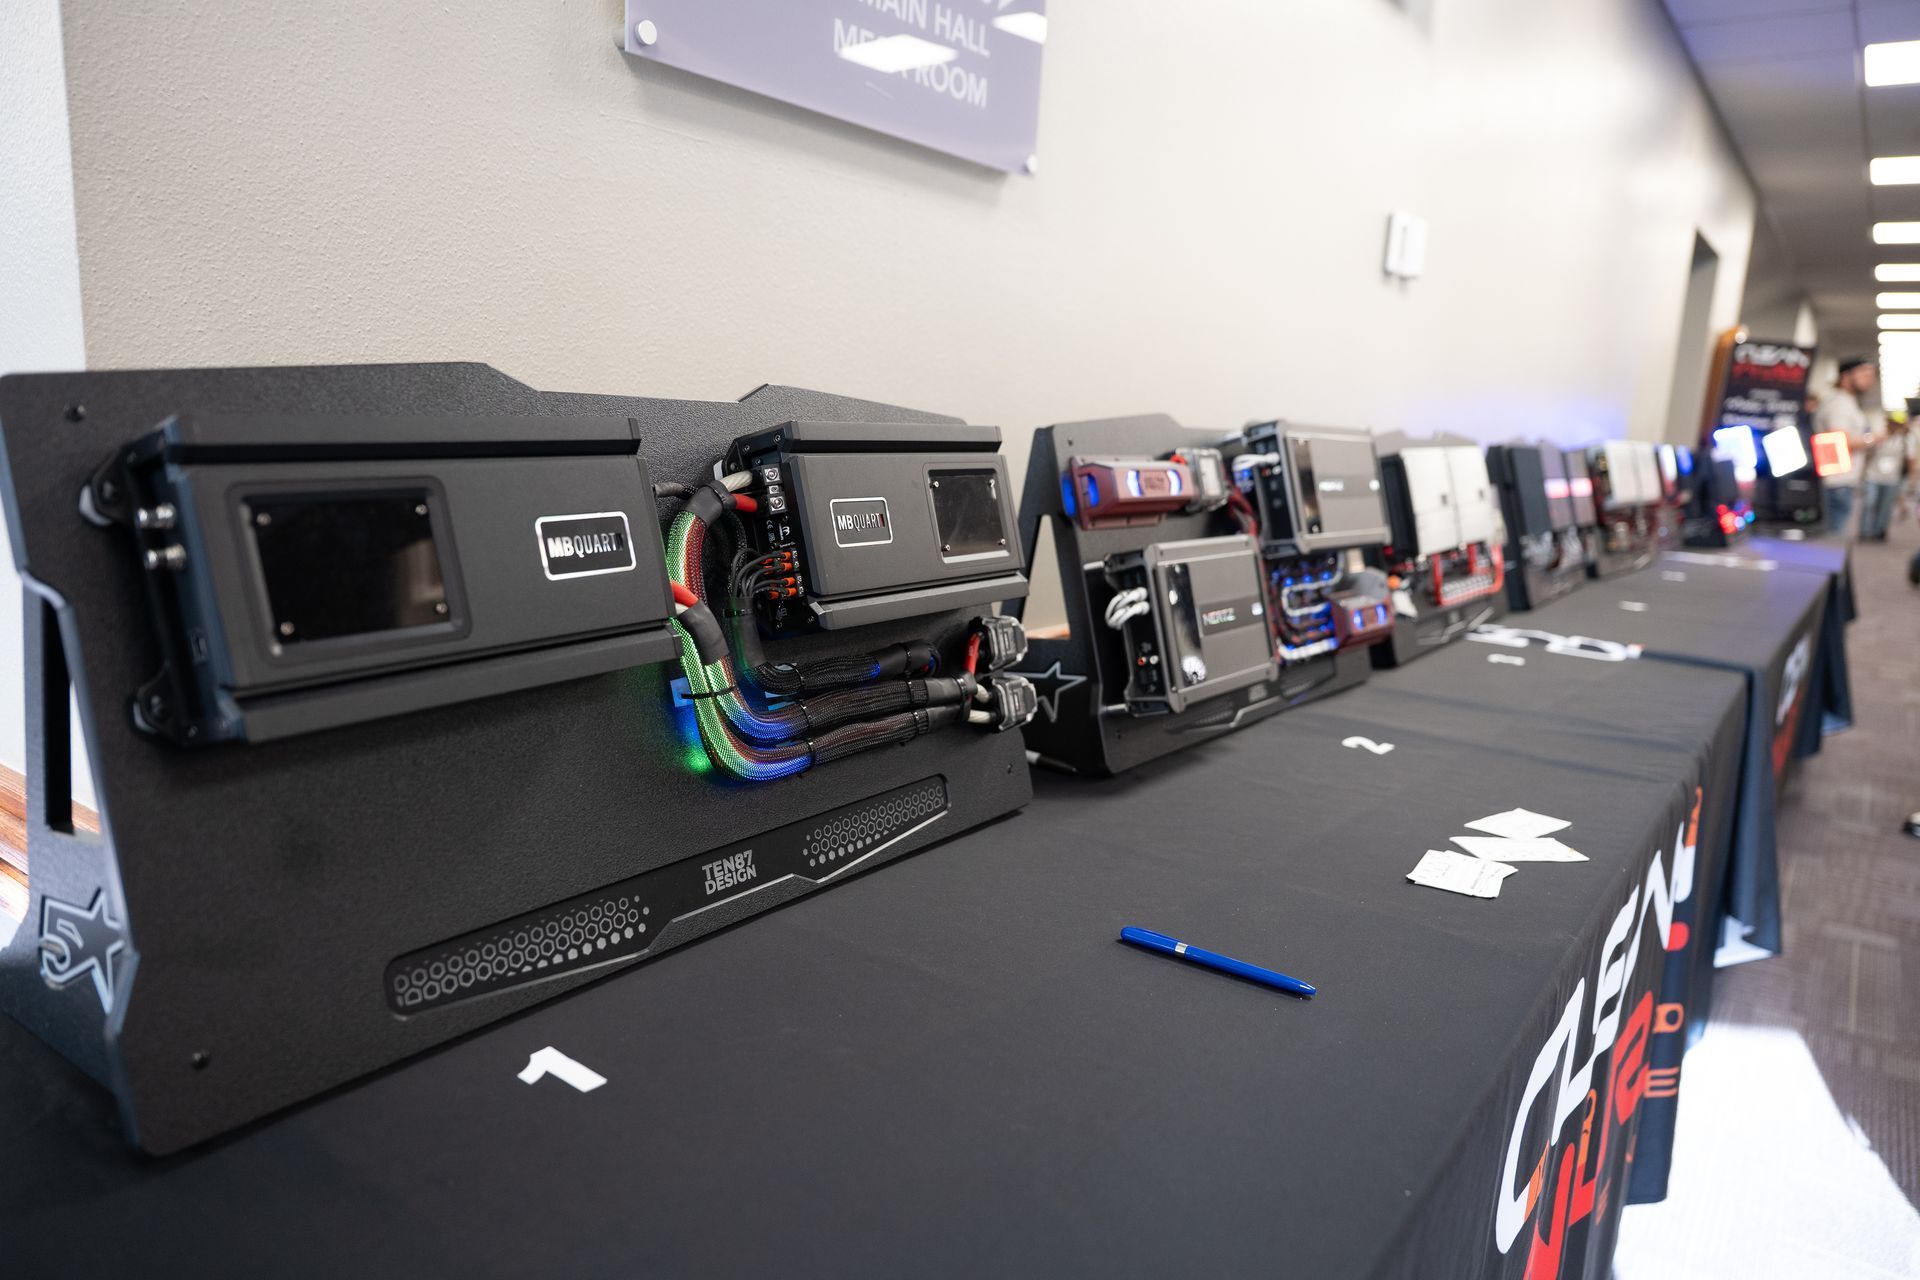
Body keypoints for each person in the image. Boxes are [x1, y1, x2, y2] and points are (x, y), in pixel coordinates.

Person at [1813, 358, 1881, 535]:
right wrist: (1873, 439)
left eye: (1871, 375)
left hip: (1842, 480)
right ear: (1845, 376)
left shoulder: (1848, 402)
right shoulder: (1839, 403)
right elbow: (1838, 440)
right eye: (1864, 373)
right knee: (1834, 539)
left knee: (1836, 538)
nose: (1869, 379)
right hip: (1837, 481)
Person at [1858, 413, 1914, 541]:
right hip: (1872, 476)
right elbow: (1867, 453)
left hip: (1891, 479)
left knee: (1885, 507)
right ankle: (1865, 531)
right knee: (1869, 502)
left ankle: (1879, 531)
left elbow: (1910, 460)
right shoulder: (1879, 436)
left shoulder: (1905, 440)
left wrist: (1911, 479)